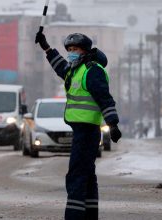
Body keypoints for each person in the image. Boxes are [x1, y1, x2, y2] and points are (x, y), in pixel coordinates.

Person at [35, 31, 122, 220]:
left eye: (75, 49)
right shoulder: (76, 69)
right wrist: (47, 48)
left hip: (88, 131)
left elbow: (104, 99)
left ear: (85, 51)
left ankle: (74, 217)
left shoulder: (92, 70)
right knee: (87, 176)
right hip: (80, 130)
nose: (71, 53)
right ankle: (89, 215)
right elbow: (61, 67)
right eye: (69, 50)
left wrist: (112, 124)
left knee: (76, 176)